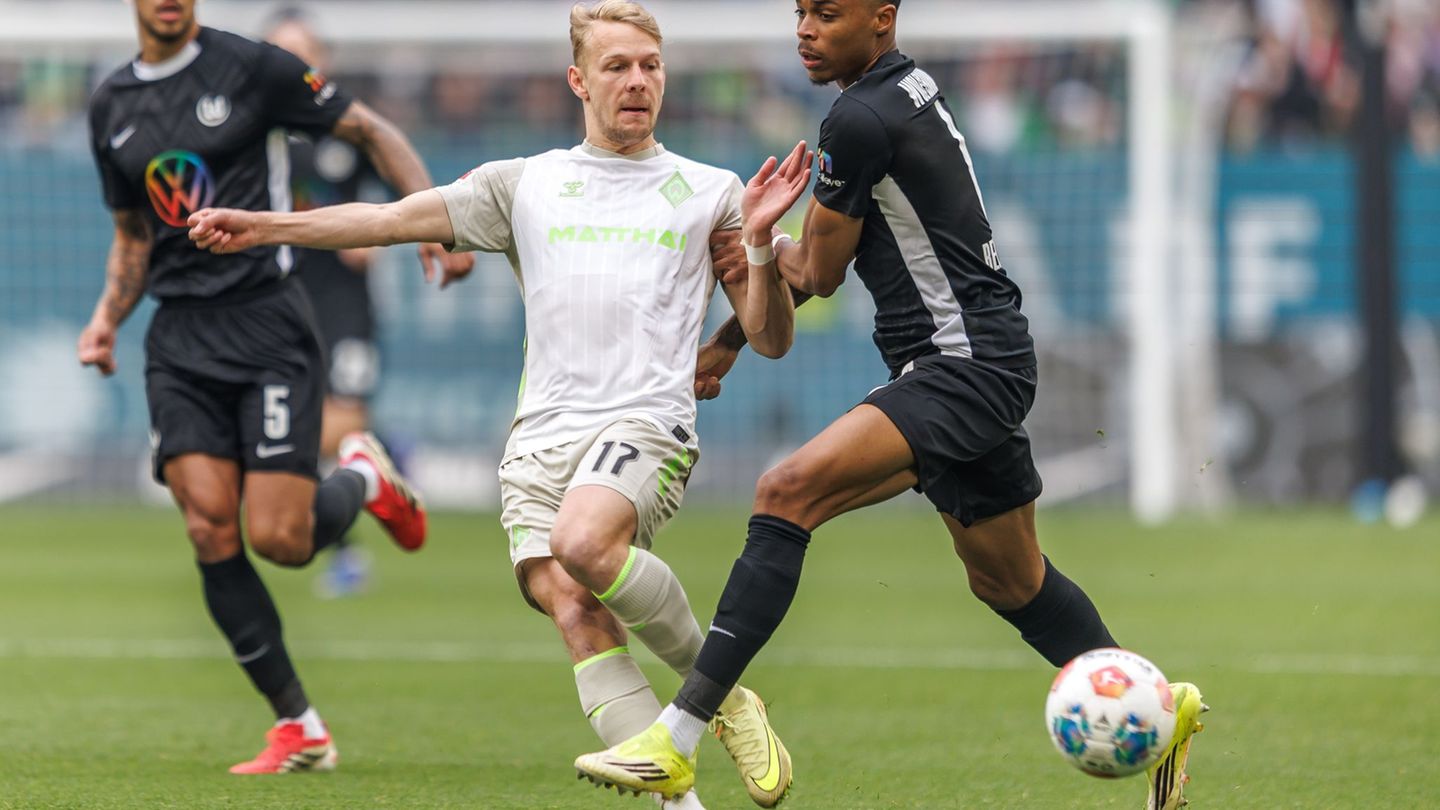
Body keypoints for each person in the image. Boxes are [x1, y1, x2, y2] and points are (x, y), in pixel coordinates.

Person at [573, 2, 1209, 809]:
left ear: (882, 18)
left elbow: (819, 272)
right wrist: (734, 337)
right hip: (987, 356)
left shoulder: (858, 118)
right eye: (800, 10)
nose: (805, 28)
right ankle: (1163, 708)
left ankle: (680, 735)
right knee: (1008, 582)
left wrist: (757, 243)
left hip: (958, 365)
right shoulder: (902, 89)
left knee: (785, 492)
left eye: (827, 13)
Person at [187, 3, 809, 806]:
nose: (638, 82)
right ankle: (680, 800)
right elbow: (383, 220)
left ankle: (720, 697)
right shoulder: (525, 184)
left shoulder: (710, 192)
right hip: (539, 439)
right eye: (617, 66)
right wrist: (265, 226)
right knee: (576, 608)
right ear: (578, 80)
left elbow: (769, 336)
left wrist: (759, 243)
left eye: (650, 66)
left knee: (585, 543)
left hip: (645, 423)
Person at [77, 0, 472, 774]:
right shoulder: (110, 104)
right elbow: (132, 237)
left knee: (281, 540)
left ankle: (363, 473)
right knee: (207, 528)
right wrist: (104, 319)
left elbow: (372, 131)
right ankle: (300, 726)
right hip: (179, 337)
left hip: (266, 326)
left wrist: (435, 220)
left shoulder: (253, 67)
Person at [264, 8, 382, 599]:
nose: (294, 64)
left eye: (302, 51)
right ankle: (351, 533)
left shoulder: (348, 126)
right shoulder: (253, 128)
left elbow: (379, 199)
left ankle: (367, 486)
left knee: (344, 424)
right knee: (305, 430)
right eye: (281, 52)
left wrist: (379, 234)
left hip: (344, 303)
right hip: (281, 300)